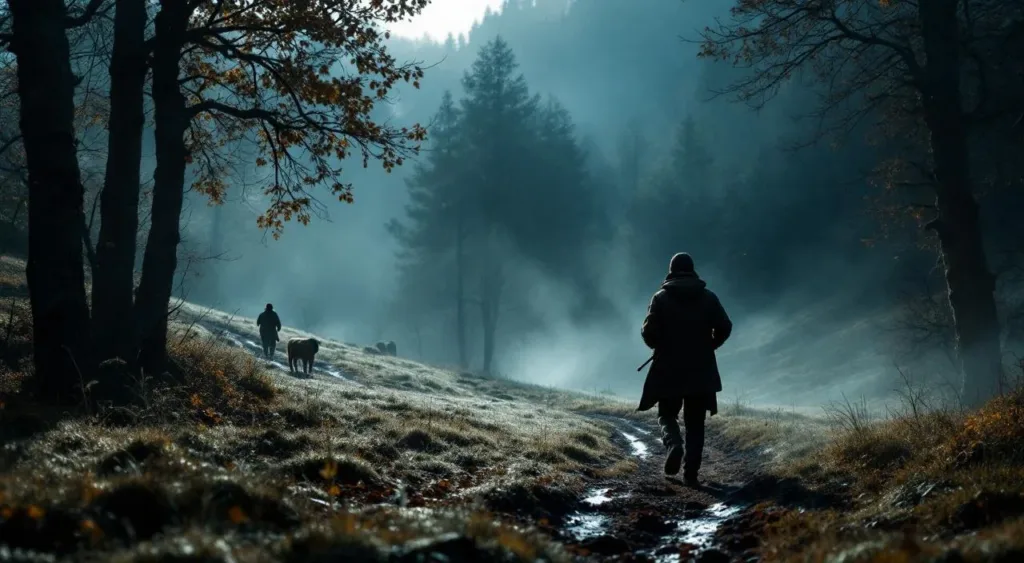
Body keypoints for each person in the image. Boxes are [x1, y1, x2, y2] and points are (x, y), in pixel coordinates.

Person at [637, 252, 732, 485]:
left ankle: (674, 445)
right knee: (696, 423)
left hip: (668, 367)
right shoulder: (709, 298)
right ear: (692, 269)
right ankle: (691, 475)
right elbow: (725, 326)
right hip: (701, 368)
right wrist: (711, 345)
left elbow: (649, 332)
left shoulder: (660, 298)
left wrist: (658, 346)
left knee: (666, 414)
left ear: (671, 269)